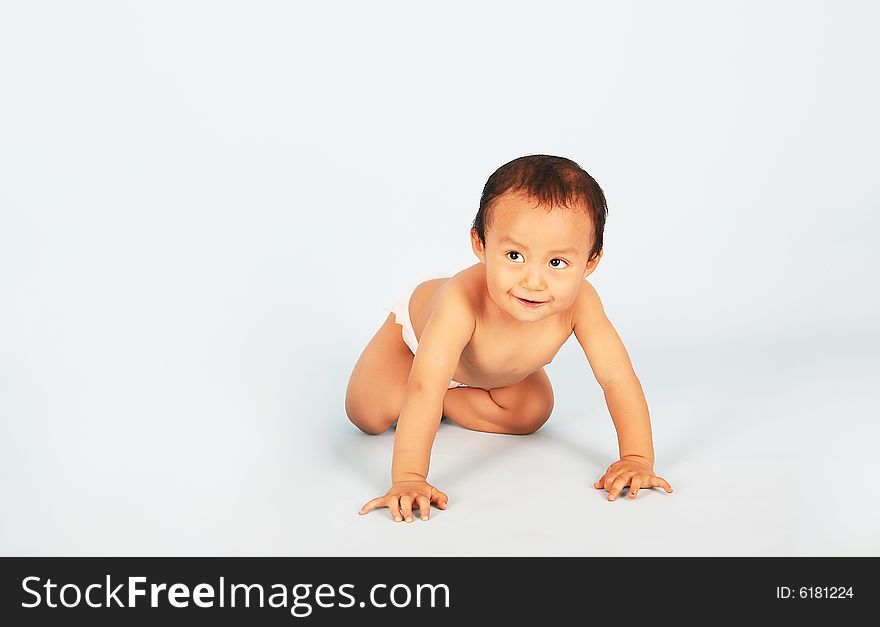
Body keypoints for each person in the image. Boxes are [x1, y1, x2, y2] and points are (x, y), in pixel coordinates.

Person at [345, 154, 673, 523]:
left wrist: (636, 458)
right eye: (514, 255)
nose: (533, 282)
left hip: (484, 370)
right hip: (415, 346)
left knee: (532, 412)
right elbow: (423, 385)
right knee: (369, 415)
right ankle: (434, 401)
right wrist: (409, 479)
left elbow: (617, 378)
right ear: (481, 244)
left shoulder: (582, 302)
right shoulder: (460, 301)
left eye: (557, 263)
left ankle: (448, 402)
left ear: (590, 261)